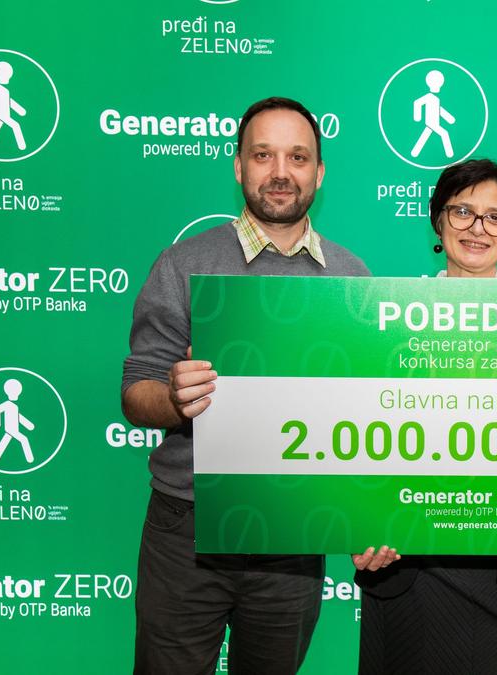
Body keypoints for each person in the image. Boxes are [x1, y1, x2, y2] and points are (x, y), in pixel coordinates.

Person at [121, 96, 370, 675]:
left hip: (293, 532)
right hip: (188, 527)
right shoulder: (182, 264)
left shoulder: (352, 278)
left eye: (297, 157)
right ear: (238, 167)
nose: (280, 172)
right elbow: (136, 393)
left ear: (319, 173)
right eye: (263, 155)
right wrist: (175, 399)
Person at [353, 159, 497, 675]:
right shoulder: (382, 319)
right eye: (462, 212)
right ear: (437, 220)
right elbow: (358, 439)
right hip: (407, 565)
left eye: (495, 217)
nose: (477, 228)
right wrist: (360, 525)